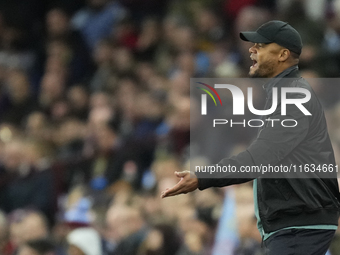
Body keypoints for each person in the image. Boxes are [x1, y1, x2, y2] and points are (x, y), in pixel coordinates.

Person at [161, 20, 340, 255]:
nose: (251, 49)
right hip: (294, 222)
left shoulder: (294, 97)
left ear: (283, 54)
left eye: (261, 45)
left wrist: (202, 178)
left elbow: (261, 157)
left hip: (299, 224)